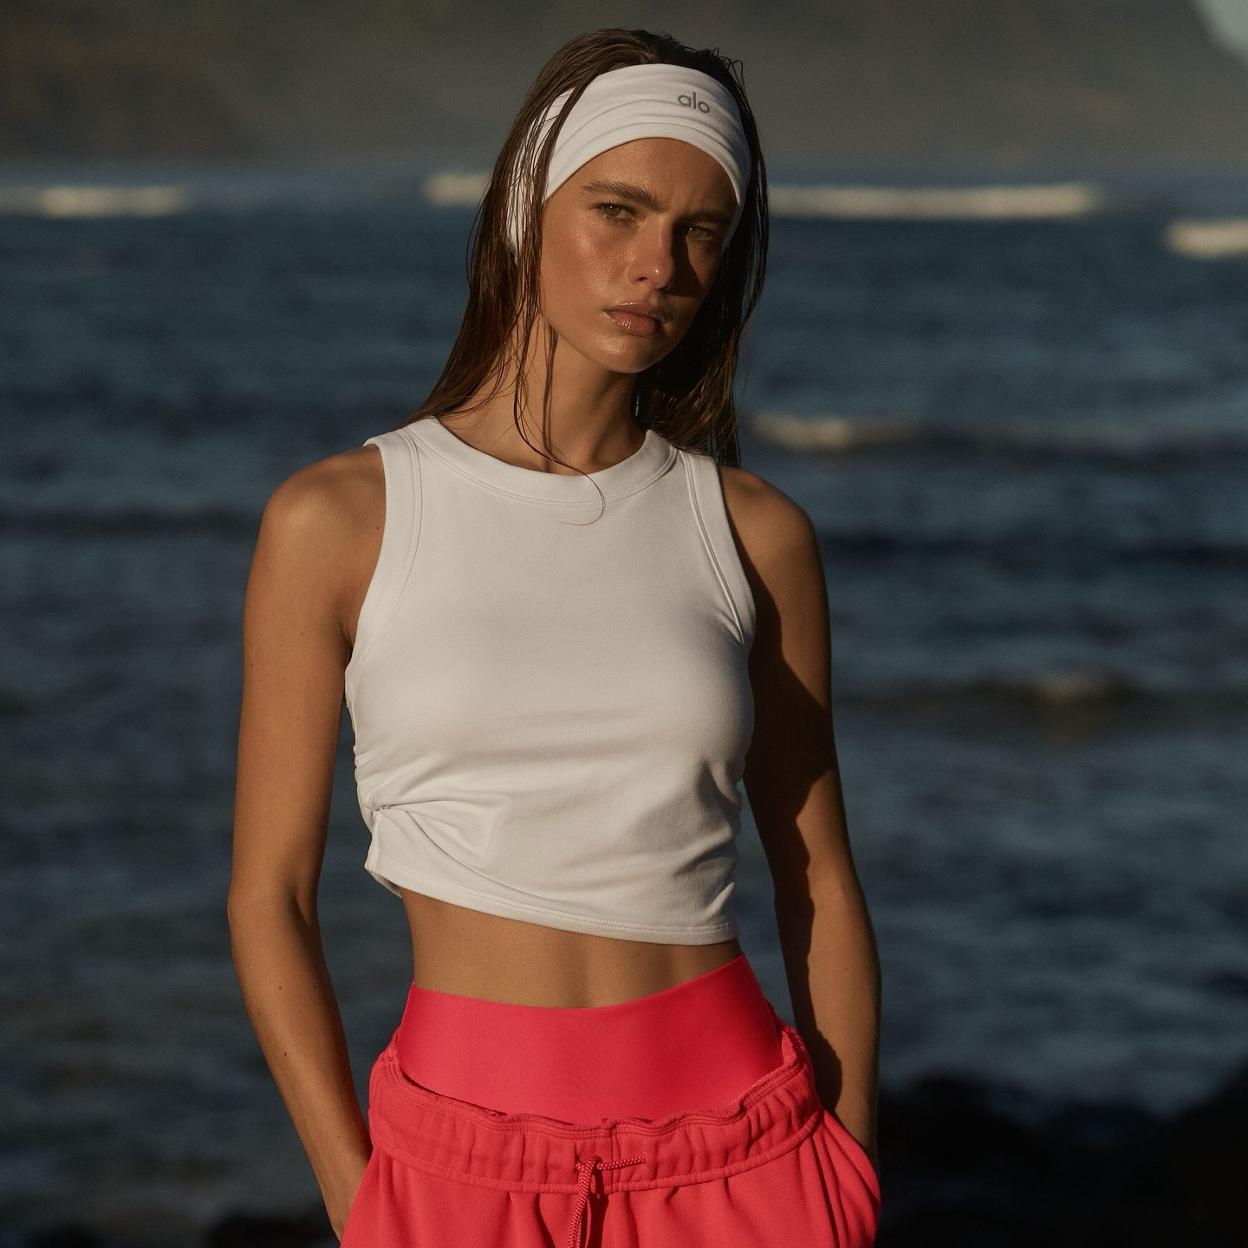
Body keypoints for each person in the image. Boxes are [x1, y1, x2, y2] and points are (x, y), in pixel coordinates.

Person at [228, 26, 882, 1248]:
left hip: (746, 1158)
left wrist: (848, 1169)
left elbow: (819, 879)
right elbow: (270, 896)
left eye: (700, 232)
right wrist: (358, 1194)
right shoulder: (339, 520)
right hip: (457, 1167)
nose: (658, 267)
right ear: (528, 206)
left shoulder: (751, 531)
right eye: (619, 211)